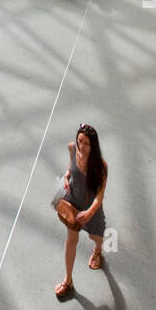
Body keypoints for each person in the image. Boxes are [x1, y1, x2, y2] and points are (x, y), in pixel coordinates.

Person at [52, 123, 108, 299]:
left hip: (92, 208)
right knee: (71, 241)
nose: (81, 147)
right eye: (79, 141)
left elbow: (100, 196)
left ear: (94, 145)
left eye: (86, 144)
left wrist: (90, 213)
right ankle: (68, 280)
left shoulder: (101, 166)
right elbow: (70, 166)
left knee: (96, 237)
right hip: (73, 202)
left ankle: (98, 251)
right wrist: (68, 175)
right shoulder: (72, 148)